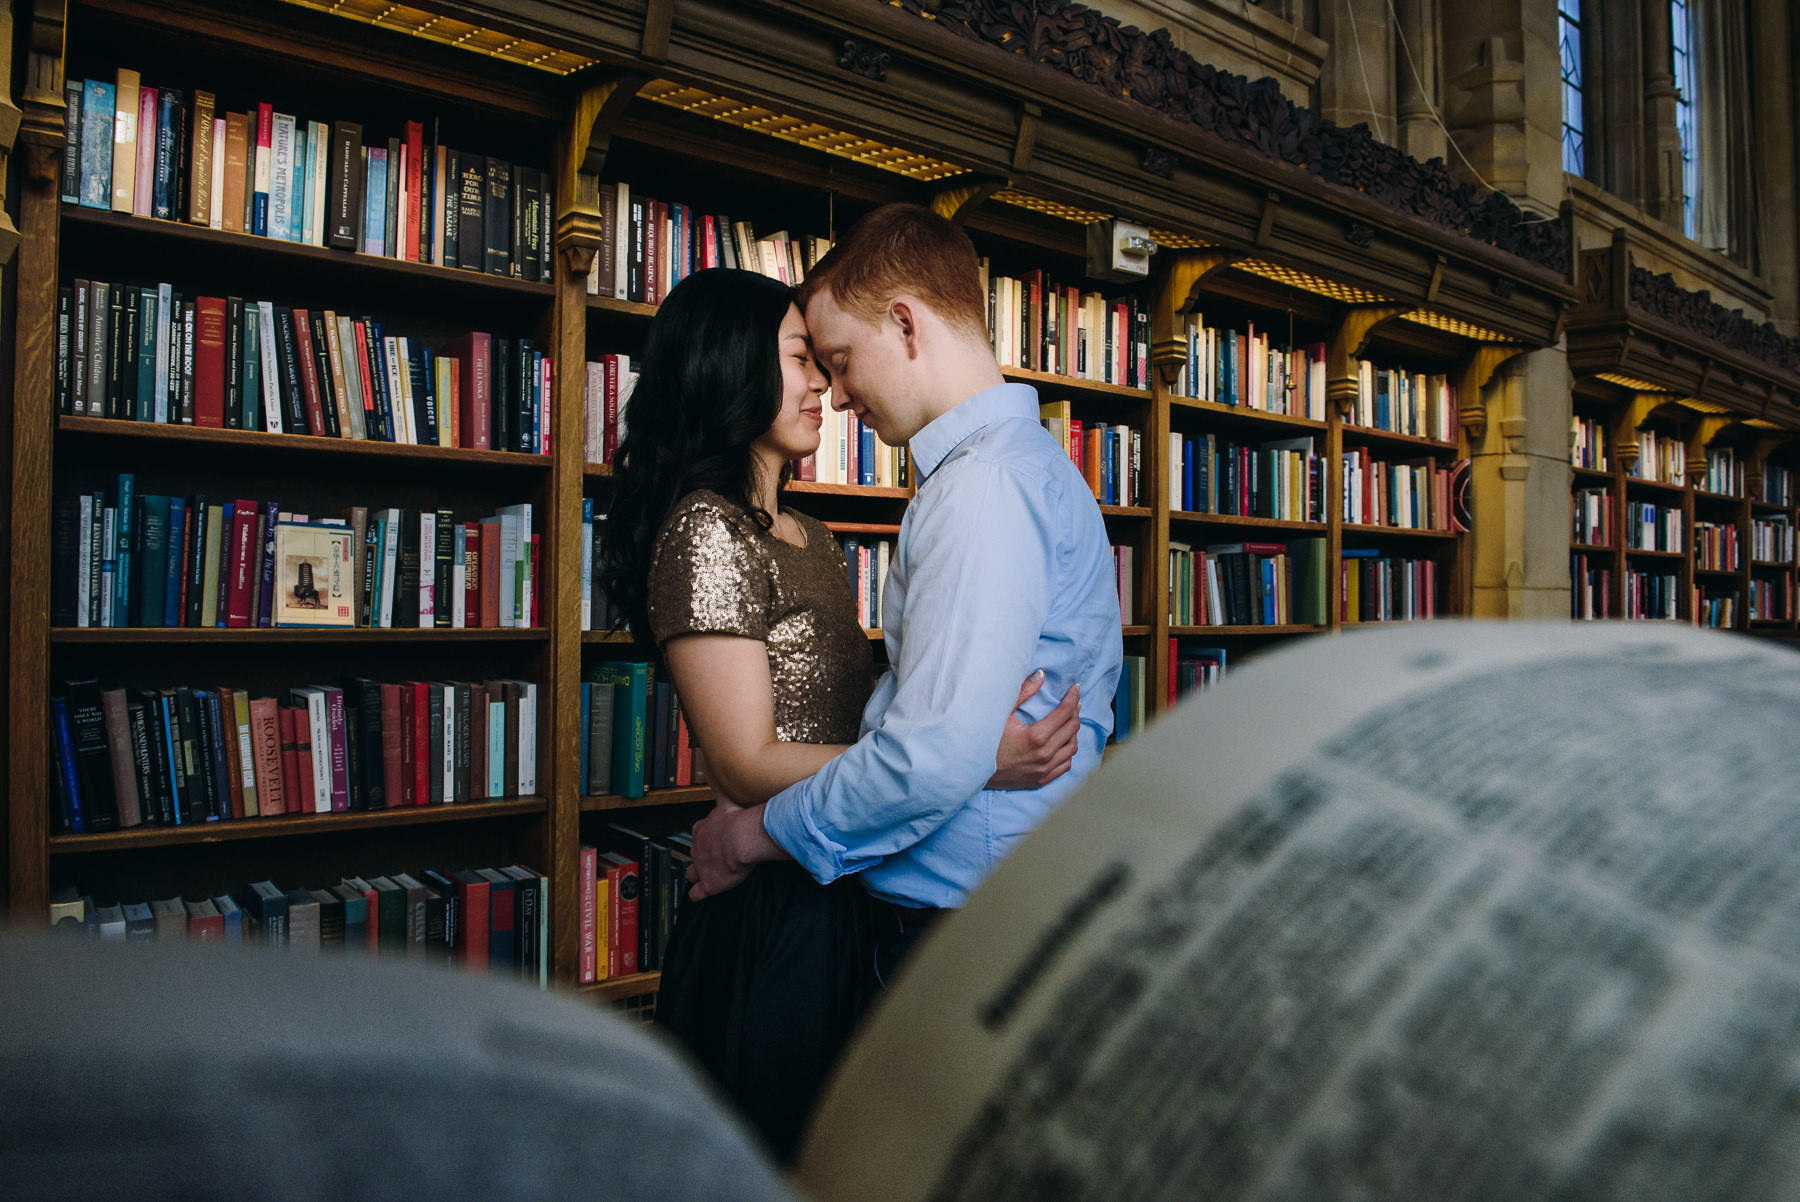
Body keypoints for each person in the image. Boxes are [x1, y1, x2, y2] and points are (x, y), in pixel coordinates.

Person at [595, 266, 1081, 1160]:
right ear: (729, 368)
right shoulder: (705, 529)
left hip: (838, 874)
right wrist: (972, 749)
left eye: (826, 361)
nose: (825, 383)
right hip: (772, 910)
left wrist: (962, 693)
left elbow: (859, 714)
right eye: (800, 359)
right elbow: (744, 760)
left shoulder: (813, 538)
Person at [684, 205, 1126, 981]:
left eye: (843, 359)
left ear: (906, 325)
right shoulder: (1018, 467)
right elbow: (946, 742)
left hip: (966, 926)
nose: (840, 395)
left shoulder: (983, 486)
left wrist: (749, 836)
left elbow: (927, 760)